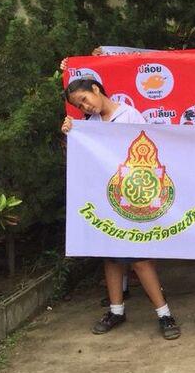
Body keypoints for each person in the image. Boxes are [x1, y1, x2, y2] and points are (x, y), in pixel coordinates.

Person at [61, 78, 181, 340]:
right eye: (79, 105)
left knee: (139, 258)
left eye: (84, 99)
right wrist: (71, 133)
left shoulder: (130, 115)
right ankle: (116, 311)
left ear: (96, 89)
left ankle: (164, 314)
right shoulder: (89, 125)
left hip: (134, 198)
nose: (85, 107)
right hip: (107, 200)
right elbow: (83, 159)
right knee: (111, 257)